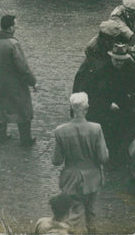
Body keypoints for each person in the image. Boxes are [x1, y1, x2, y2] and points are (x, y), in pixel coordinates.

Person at [51, 93, 109, 234]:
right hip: (93, 179)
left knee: (75, 213)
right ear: (86, 108)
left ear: (71, 108)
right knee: (91, 212)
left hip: (71, 179)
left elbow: (56, 161)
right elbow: (103, 158)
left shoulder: (61, 130)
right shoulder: (96, 128)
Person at [0, 15, 36, 146]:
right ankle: (25, 140)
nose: (16, 27)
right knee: (23, 109)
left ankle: (0, 137)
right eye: (15, 25)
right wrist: (32, 82)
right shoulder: (13, 44)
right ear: (10, 28)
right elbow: (23, 67)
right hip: (14, 85)